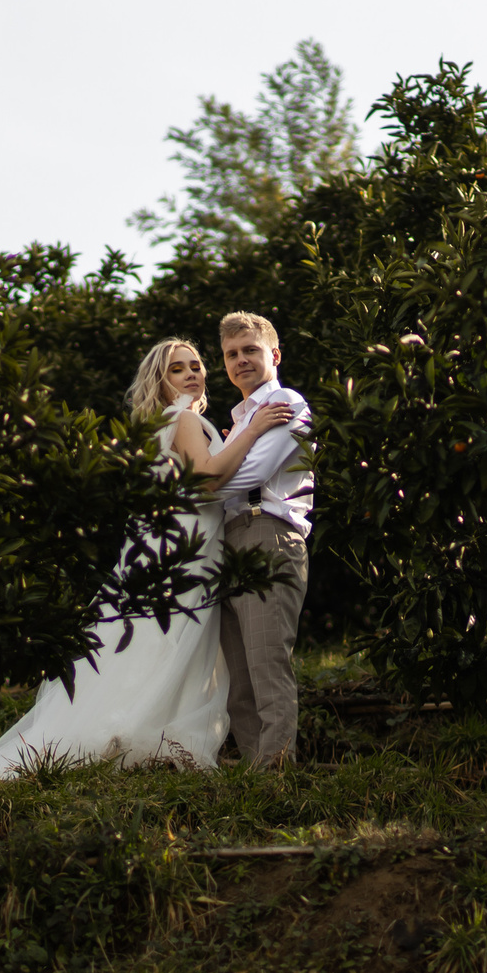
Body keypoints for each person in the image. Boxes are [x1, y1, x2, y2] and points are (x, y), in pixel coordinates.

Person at [0, 337, 296, 776]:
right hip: (188, 547)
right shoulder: (183, 420)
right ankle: (143, 737)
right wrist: (254, 429)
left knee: (154, 643)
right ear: (161, 382)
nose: (192, 374)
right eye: (178, 369)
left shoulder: (160, 426)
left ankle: (135, 729)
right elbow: (206, 476)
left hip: (164, 546)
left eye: (196, 365)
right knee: (172, 641)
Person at [215, 311, 313, 768]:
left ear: (274, 354)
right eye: (232, 354)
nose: (241, 361)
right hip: (230, 541)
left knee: (266, 663)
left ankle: (277, 776)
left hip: (268, 534)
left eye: (250, 350)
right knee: (238, 678)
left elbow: (252, 474)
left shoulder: (286, 402)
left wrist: (195, 485)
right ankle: (257, 782)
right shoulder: (237, 421)